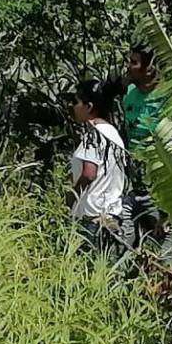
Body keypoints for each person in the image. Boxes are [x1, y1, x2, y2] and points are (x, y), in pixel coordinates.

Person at [122, 46, 172, 265]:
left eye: (134, 62)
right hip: (134, 184)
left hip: (162, 186)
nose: (128, 67)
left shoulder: (167, 98)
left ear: (150, 68)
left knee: (167, 253)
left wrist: (166, 211)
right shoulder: (130, 94)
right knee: (129, 249)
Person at [69, 78, 130, 261]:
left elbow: (89, 173)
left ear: (88, 107)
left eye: (76, 102)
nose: (73, 107)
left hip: (93, 219)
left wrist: (71, 196)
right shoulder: (114, 135)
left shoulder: (93, 134)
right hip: (112, 215)